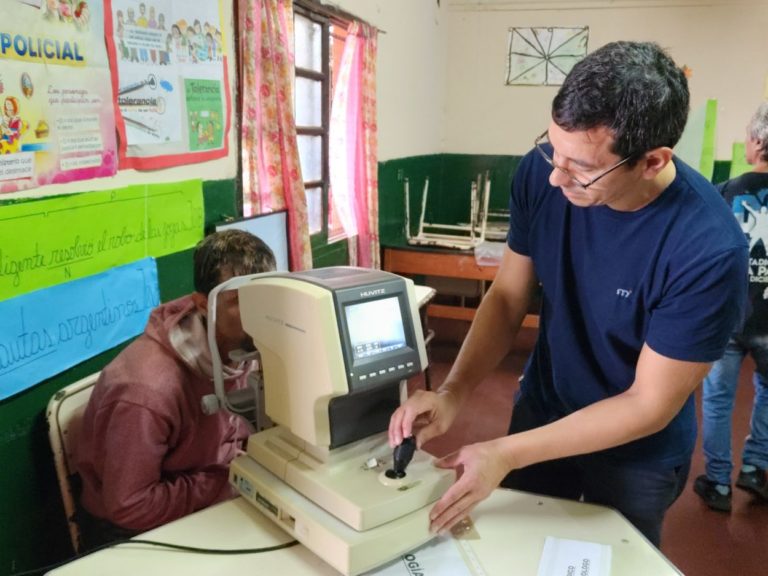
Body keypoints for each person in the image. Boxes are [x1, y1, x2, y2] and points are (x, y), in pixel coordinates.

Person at [389, 41, 749, 548]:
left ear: (652, 161)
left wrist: (506, 453)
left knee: (612, 559)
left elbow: (648, 403)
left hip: (636, 453)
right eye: (552, 148)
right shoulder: (544, 173)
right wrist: (453, 392)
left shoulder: (707, 248)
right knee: (514, 549)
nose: (556, 176)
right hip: (544, 409)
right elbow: (509, 297)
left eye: (580, 167)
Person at [75, 229, 276, 548]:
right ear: (202, 305)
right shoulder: (146, 391)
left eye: (265, 297)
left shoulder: (241, 345)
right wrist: (226, 478)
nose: (258, 313)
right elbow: (129, 506)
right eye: (239, 301)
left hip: (208, 486)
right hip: (132, 529)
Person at [693, 102, 768, 512]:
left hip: (730, 315)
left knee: (718, 398)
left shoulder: (724, 191)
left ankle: (718, 482)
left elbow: (708, 254)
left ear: (757, 141)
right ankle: (757, 468)